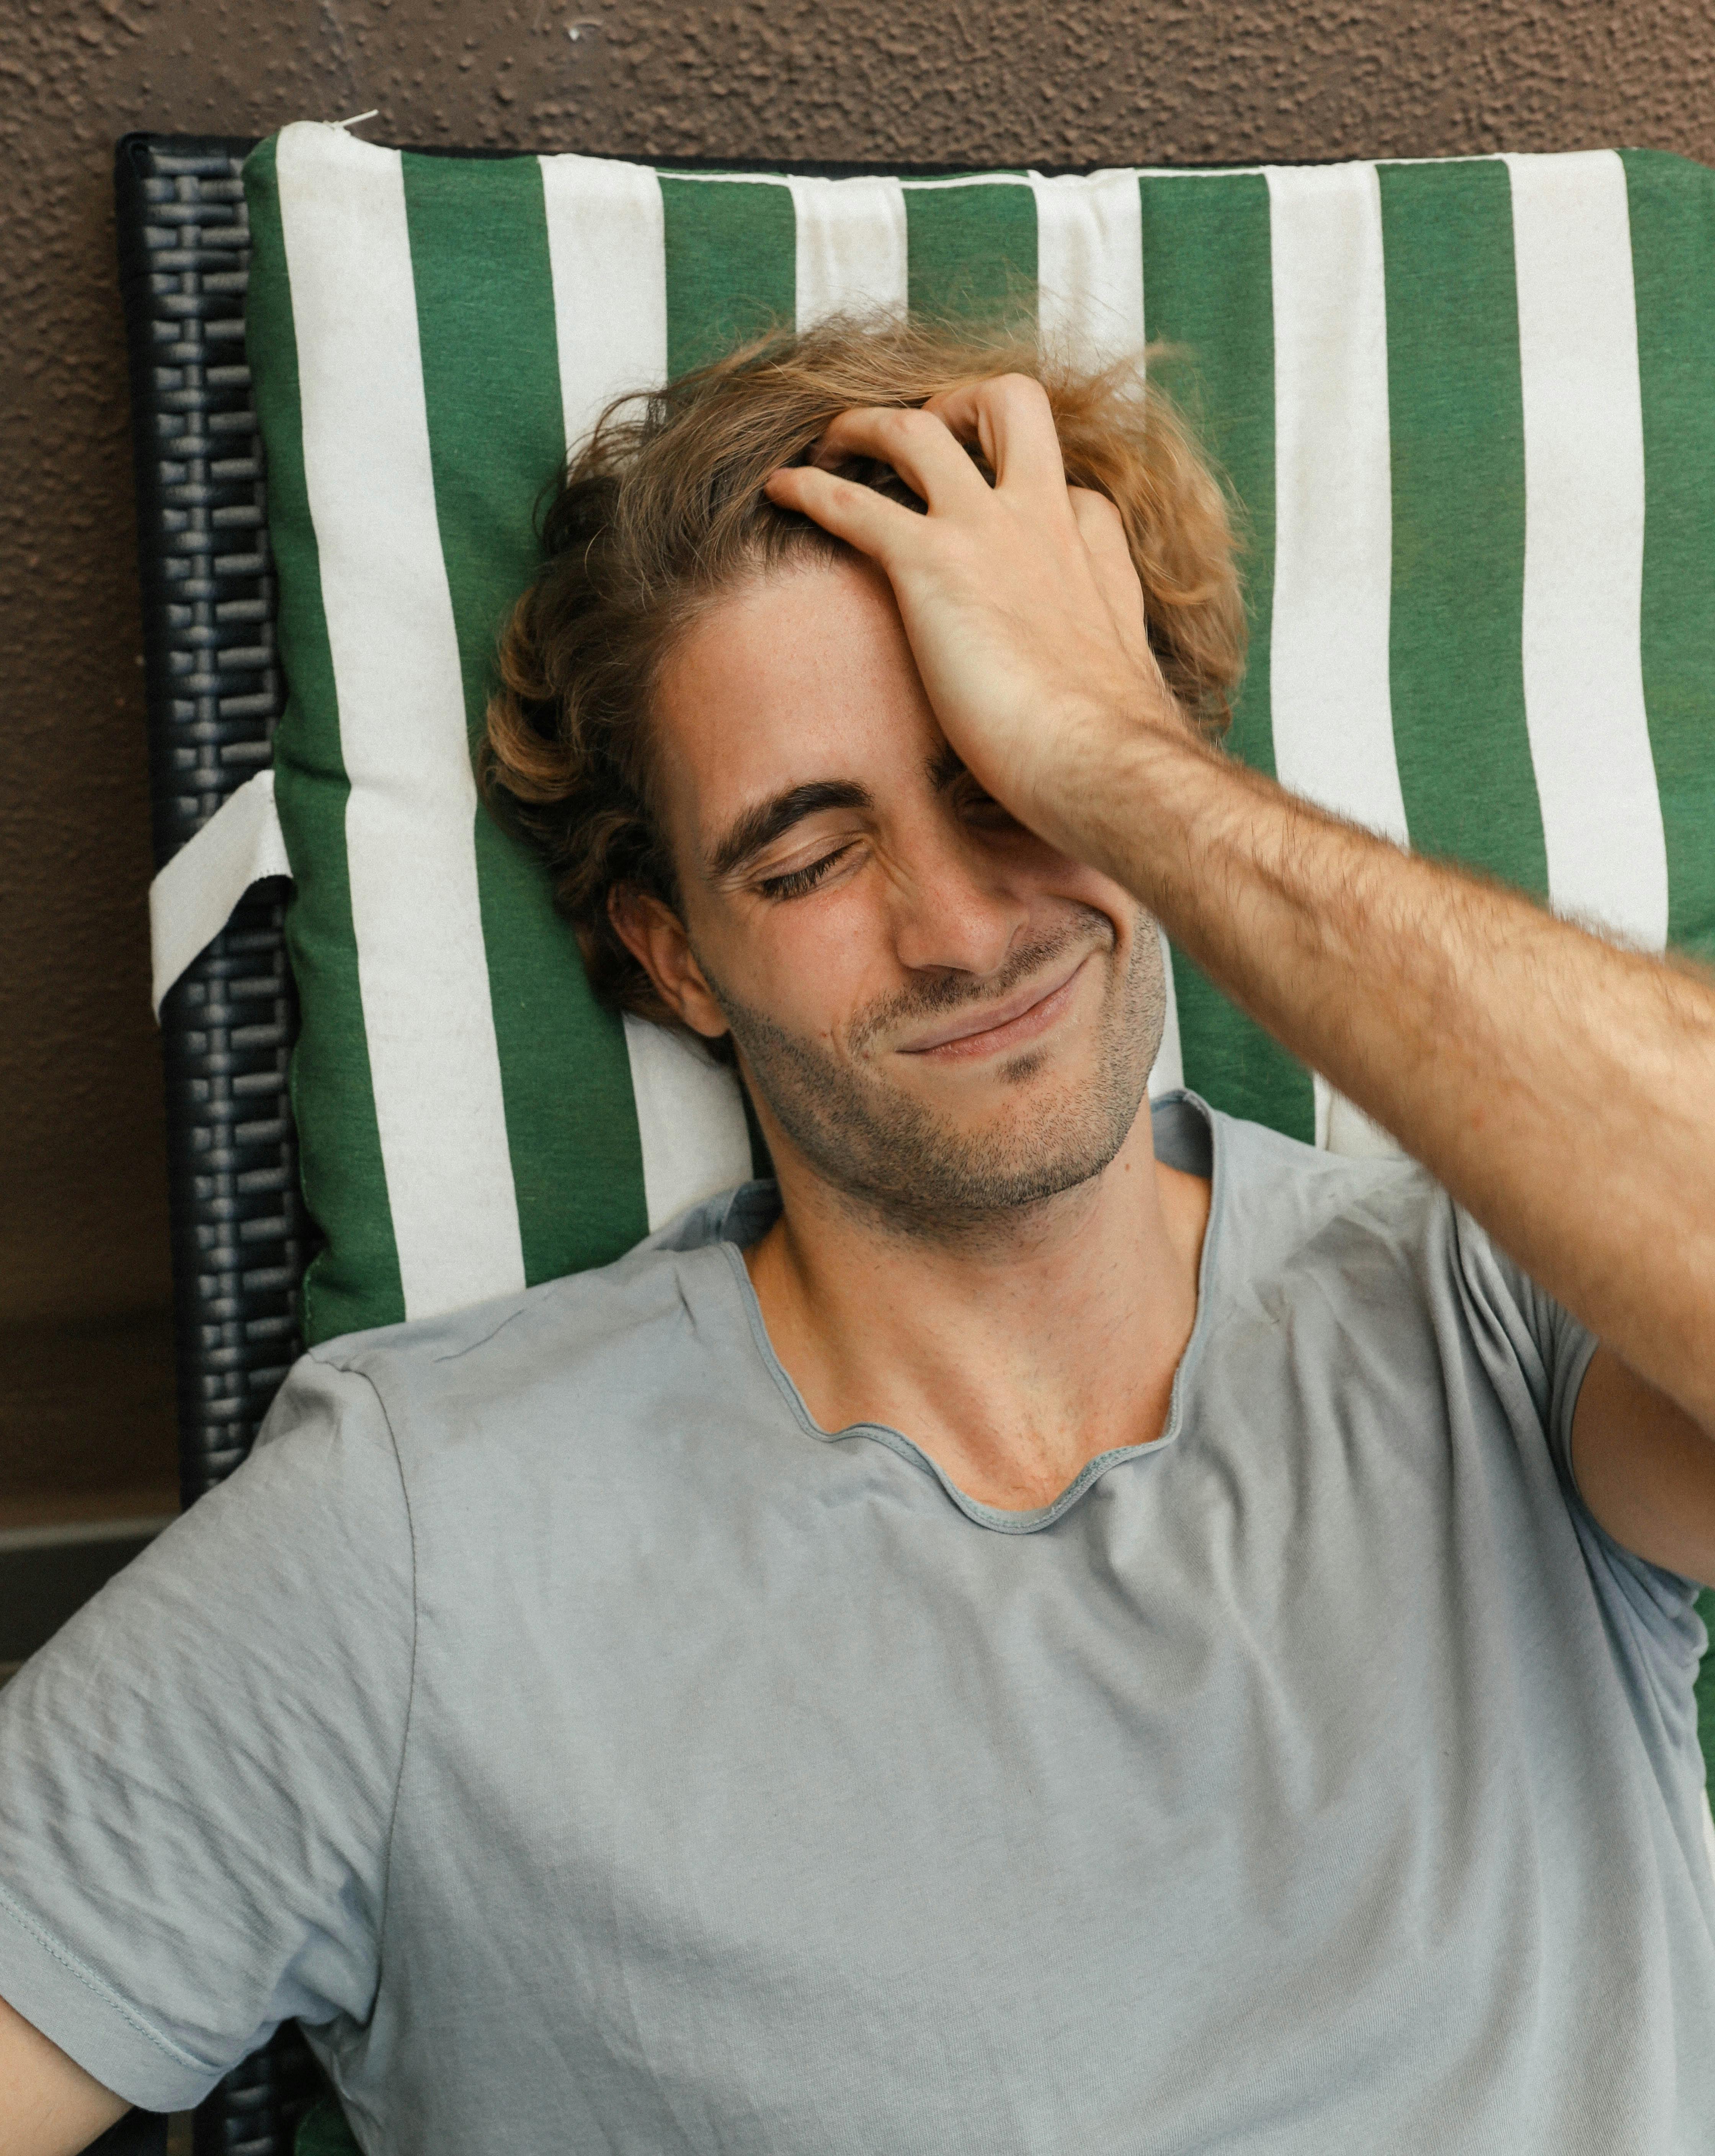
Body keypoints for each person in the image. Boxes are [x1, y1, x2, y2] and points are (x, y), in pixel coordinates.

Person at [4, 321, 1714, 2155]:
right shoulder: (415, 1548)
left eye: (1012, 794)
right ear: (675, 955)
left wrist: (1111, 750)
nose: (961, 930)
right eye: (809, 859)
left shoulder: (1498, 1321)